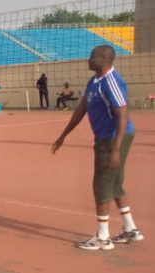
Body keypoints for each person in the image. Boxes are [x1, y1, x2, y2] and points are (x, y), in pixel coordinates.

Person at [52, 45, 143, 250]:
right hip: (105, 137)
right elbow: (82, 109)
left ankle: (103, 237)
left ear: (103, 59)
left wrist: (115, 150)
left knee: (101, 184)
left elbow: (122, 115)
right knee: (115, 182)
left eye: (92, 57)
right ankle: (130, 229)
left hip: (113, 138)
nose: (88, 59)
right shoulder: (94, 81)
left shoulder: (111, 82)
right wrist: (64, 135)